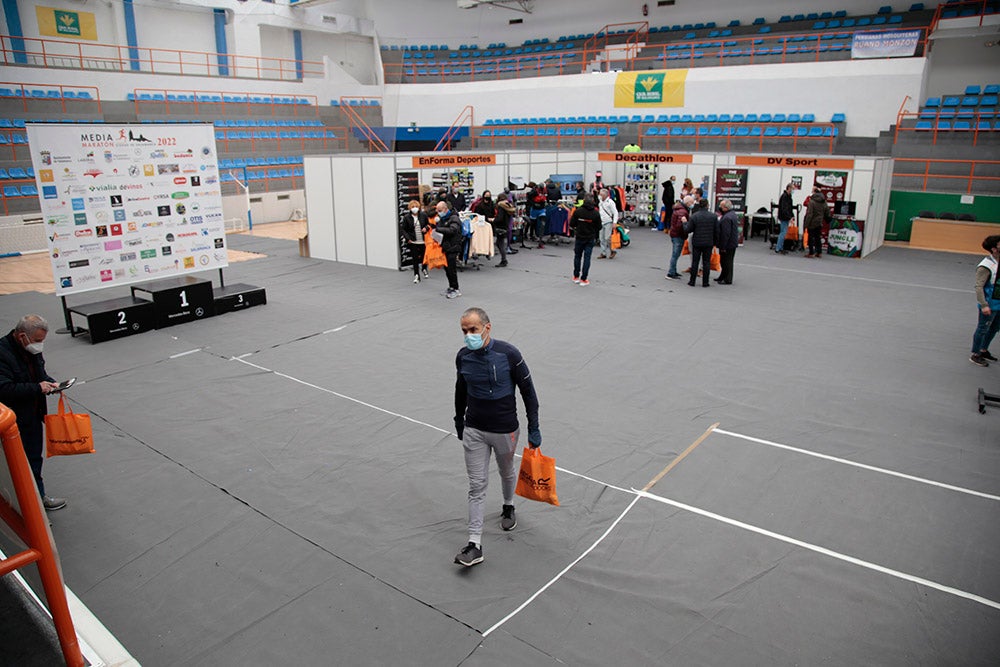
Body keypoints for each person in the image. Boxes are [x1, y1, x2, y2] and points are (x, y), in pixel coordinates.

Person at [453, 307, 541, 567]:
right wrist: (459, 420)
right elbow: (460, 390)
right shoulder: (462, 357)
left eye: (473, 330)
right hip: (474, 429)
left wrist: (533, 427)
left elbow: (528, 392)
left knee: (506, 472)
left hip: (505, 429)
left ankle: (508, 505)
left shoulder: (509, 354)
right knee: (476, 485)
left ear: (487, 327)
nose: (469, 335)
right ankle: (474, 544)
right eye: (464, 331)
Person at [0, 315, 66, 511]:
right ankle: (30, 508)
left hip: (32, 416)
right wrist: (38, 388)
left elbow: (40, 374)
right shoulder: (2, 354)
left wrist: (51, 383)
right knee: (19, 465)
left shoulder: (31, 350)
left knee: (34, 459)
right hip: (13, 420)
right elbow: (4, 390)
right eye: (37, 341)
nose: (40, 346)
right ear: (22, 336)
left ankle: (38, 498)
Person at [971, 235, 1000, 367]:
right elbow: (979, 287)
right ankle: (975, 353)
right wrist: (984, 305)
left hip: (998, 303)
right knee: (983, 328)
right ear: (994, 249)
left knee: (994, 328)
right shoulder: (986, 266)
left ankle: (983, 350)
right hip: (989, 304)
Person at [570, 194, 602, 286]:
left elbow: (572, 224)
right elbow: (599, 227)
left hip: (580, 236)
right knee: (587, 258)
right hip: (590, 237)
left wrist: (578, 227)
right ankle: (584, 279)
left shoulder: (578, 211)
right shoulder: (596, 213)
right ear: (592, 201)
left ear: (584, 200)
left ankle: (576, 276)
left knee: (577, 256)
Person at [434, 200, 463, 298]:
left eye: (440, 210)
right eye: (437, 210)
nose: (438, 213)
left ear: (445, 209)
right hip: (446, 246)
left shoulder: (454, 218)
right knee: (447, 269)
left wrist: (439, 229)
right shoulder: (443, 218)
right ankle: (451, 287)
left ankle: (456, 289)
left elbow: (453, 230)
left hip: (453, 247)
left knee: (451, 269)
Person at [687, 199, 717, 288]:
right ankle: (705, 282)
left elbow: (689, 229)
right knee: (706, 262)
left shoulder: (694, 216)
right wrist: (715, 242)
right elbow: (716, 231)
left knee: (695, 261)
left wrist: (685, 223)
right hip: (708, 242)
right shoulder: (713, 216)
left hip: (697, 242)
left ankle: (692, 281)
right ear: (707, 205)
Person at [400, 200, 429, 283]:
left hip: (423, 240)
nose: (415, 208)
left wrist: (425, 228)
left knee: (424, 257)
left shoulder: (423, 215)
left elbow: (428, 224)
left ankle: (424, 268)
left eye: (416, 206)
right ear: (410, 208)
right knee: (415, 259)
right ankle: (416, 275)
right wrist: (408, 238)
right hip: (413, 241)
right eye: (413, 207)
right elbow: (404, 229)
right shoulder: (407, 217)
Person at [715, 199, 740, 285]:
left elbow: (725, 233)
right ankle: (723, 276)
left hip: (728, 244)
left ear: (725, 208)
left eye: (721, 206)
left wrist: (723, 246)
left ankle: (727, 278)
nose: (719, 208)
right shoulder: (732, 214)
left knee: (726, 261)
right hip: (732, 243)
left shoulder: (726, 218)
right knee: (727, 260)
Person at [665, 196, 690, 279]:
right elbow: (680, 225)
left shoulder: (679, 209)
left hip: (675, 234)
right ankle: (671, 273)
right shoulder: (682, 212)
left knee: (675, 254)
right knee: (675, 254)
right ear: (688, 203)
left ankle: (673, 271)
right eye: (691, 203)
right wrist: (685, 229)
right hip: (678, 235)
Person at [803, 188, 828, 258]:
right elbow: (827, 211)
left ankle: (811, 252)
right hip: (819, 221)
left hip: (812, 222)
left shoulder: (812, 201)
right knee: (817, 237)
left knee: (810, 237)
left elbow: (810, 213)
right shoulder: (824, 201)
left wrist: (806, 224)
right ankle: (819, 252)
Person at [493, 193, 515, 267]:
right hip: (506, 226)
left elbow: (499, 218)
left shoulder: (501, 206)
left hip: (500, 227)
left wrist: (493, 220)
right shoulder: (508, 205)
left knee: (500, 243)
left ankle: (504, 260)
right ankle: (504, 259)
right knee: (499, 243)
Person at [597, 188, 619, 260]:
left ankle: (613, 250)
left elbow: (615, 213)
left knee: (607, 238)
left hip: (608, 222)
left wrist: (614, 222)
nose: (600, 196)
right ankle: (603, 253)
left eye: (601, 195)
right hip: (601, 221)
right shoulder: (600, 202)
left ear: (605, 195)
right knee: (601, 238)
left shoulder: (610, 202)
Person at [775, 183, 794, 255]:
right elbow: (785, 208)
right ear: (789, 188)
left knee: (783, 232)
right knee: (783, 232)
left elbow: (789, 208)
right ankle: (778, 248)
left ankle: (780, 247)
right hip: (784, 217)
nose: (793, 190)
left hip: (785, 216)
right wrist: (789, 217)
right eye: (792, 188)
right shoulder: (785, 197)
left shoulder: (788, 196)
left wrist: (791, 215)